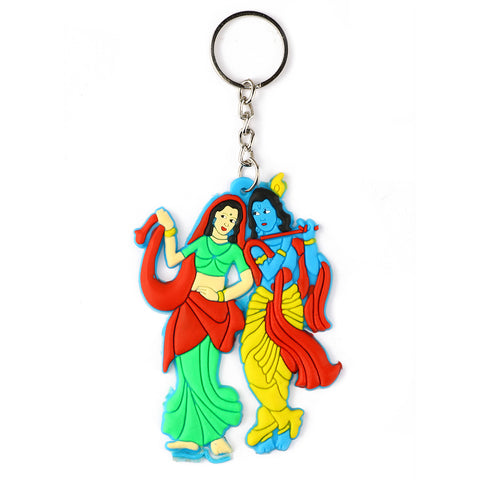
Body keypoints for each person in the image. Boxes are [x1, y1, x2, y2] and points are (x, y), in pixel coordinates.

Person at [135, 195, 253, 462]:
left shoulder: (234, 251)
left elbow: (247, 280)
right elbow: (173, 259)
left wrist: (222, 296)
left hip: (215, 315)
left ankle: (215, 435)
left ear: (236, 225)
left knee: (206, 374)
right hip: (189, 310)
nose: (226, 222)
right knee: (187, 376)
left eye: (232, 219)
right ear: (213, 217)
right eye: (223, 215)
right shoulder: (201, 243)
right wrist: (170, 230)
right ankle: (189, 435)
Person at [241, 176, 342, 454]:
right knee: (251, 359)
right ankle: (287, 417)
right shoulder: (254, 246)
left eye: (266, 210)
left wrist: (308, 240)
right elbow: (269, 273)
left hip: (289, 304)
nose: (261, 216)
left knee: (281, 365)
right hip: (262, 303)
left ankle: (271, 420)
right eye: (256, 213)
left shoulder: (295, 239)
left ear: (277, 212)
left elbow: (311, 271)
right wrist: (286, 246)